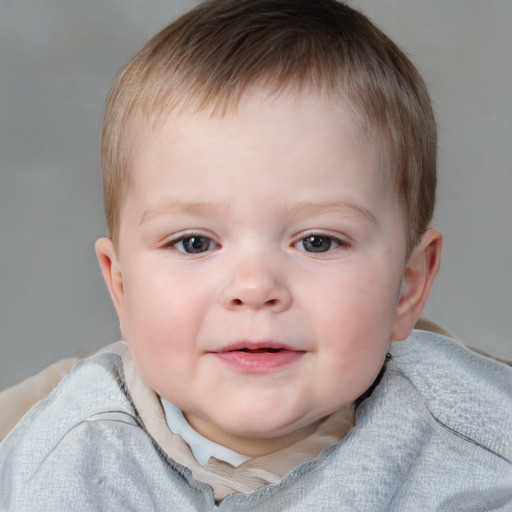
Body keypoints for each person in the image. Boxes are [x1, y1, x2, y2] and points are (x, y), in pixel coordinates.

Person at [1, 0, 511, 509]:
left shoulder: (480, 450)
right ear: (122, 285)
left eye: (317, 241)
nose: (254, 287)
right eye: (194, 243)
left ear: (408, 283)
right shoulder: (60, 455)